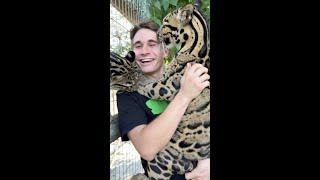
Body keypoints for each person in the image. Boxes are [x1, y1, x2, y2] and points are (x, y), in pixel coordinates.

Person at [116, 21, 210, 180]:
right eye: (138, 46)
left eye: (152, 44)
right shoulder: (128, 94)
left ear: (165, 51)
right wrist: (185, 95)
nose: (144, 51)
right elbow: (147, 148)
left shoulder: (188, 75)